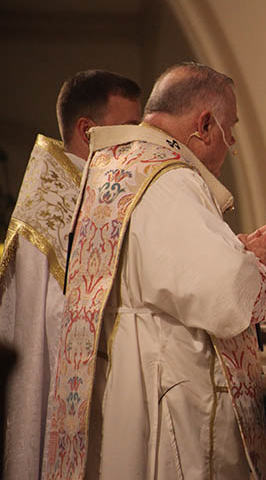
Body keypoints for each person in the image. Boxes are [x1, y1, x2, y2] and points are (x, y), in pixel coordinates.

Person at [42, 62, 266, 480]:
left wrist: (262, 285)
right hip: (168, 393)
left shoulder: (123, 165)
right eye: (230, 132)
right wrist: (256, 262)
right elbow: (221, 296)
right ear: (204, 124)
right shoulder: (167, 177)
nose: (230, 147)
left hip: (135, 379)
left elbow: (167, 277)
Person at [0, 70, 142, 480]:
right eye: (131, 128)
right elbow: (55, 325)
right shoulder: (59, 206)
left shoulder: (85, 192)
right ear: (88, 130)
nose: (138, 142)